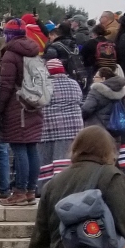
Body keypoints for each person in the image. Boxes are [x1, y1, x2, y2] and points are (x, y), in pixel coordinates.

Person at [0, 21, 46, 206]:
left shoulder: (11, 54)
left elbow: (7, 84)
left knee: (19, 148)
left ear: (9, 34)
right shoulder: (35, 51)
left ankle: (20, 192)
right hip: (35, 104)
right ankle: (31, 190)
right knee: (31, 148)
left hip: (17, 106)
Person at [35, 59, 84, 195]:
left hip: (49, 128)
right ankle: (67, 187)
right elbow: (80, 100)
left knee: (46, 161)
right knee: (64, 160)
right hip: (73, 128)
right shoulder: (74, 84)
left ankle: (45, 189)